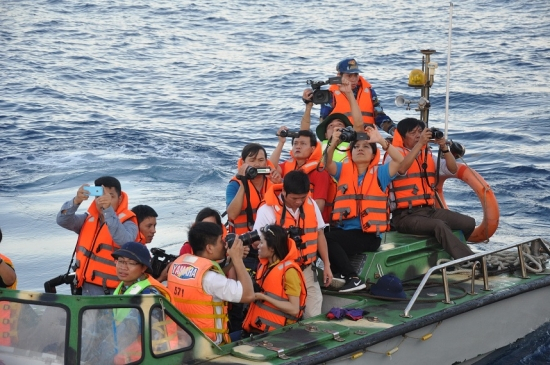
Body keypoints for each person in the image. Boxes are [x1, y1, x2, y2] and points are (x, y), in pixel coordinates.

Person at [324, 125, 404, 292]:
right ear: (350, 152)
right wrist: (333, 143)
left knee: (327, 240)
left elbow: (399, 160)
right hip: (346, 232)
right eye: (356, 147)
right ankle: (339, 274)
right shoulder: (342, 171)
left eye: (366, 146)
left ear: (374, 153)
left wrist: (381, 140)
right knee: (317, 235)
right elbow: (327, 163)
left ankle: (353, 278)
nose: (360, 149)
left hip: (368, 235)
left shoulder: (381, 173)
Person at [385, 118, 476, 260]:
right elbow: (401, 169)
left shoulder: (427, 156)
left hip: (428, 210)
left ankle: (454, 254)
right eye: (413, 132)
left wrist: (444, 148)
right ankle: (469, 260)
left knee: (468, 222)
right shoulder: (394, 155)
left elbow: (452, 169)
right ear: (402, 136)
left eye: (420, 132)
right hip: (404, 216)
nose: (417, 135)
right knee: (439, 225)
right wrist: (420, 143)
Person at [253, 170, 333, 318]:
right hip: (281, 272)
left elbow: (320, 234)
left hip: (306, 268)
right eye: (295, 198)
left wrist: (327, 264)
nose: (299, 202)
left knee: (313, 315)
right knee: (280, 317)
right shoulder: (267, 210)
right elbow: (256, 243)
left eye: (302, 197)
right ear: (283, 191)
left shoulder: (311, 203)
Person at [167, 222, 255, 345]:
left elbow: (206, 284)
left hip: (185, 341)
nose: (225, 245)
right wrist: (238, 259)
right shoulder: (210, 279)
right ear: (209, 248)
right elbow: (248, 295)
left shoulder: (178, 266)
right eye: (221, 241)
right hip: (210, 347)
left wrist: (230, 261)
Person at [56, 176, 138, 295]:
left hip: (112, 294)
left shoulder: (129, 222)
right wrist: (76, 201)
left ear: (120, 199)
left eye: (111, 196)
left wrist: (108, 210)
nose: (102, 200)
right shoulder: (87, 220)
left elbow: (124, 241)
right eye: (99, 196)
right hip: (85, 290)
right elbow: (62, 220)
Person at [242, 224, 306, 335]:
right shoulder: (265, 266)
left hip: (278, 334)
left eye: (261, 243)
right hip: (257, 329)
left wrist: (262, 297)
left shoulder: (289, 272)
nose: (258, 246)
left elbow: (294, 309)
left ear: (272, 248)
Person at [226, 143, 282, 269]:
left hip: (270, 247)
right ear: (243, 162)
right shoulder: (235, 184)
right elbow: (232, 214)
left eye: (261, 160)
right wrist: (243, 183)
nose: (257, 164)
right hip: (244, 247)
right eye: (252, 160)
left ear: (266, 163)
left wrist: (279, 186)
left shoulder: (274, 183)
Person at [310, 57, 396, 135]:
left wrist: (394, 131)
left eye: (356, 75)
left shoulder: (369, 92)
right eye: (349, 75)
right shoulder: (331, 95)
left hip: (366, 140)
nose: (354, 79)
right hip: (343, 141)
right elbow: (324, 124)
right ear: (339, 76)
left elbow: (380, 117)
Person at [270, 128, 332, 221]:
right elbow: (271, 168)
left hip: (310, 222)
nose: (298, 146)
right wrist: (281, 143)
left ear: (312, 149)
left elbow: (319, 204)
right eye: (295, 143)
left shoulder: (320, 172)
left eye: (303, 144)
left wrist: (302, 222)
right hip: (288, 218)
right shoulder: (288, 165)